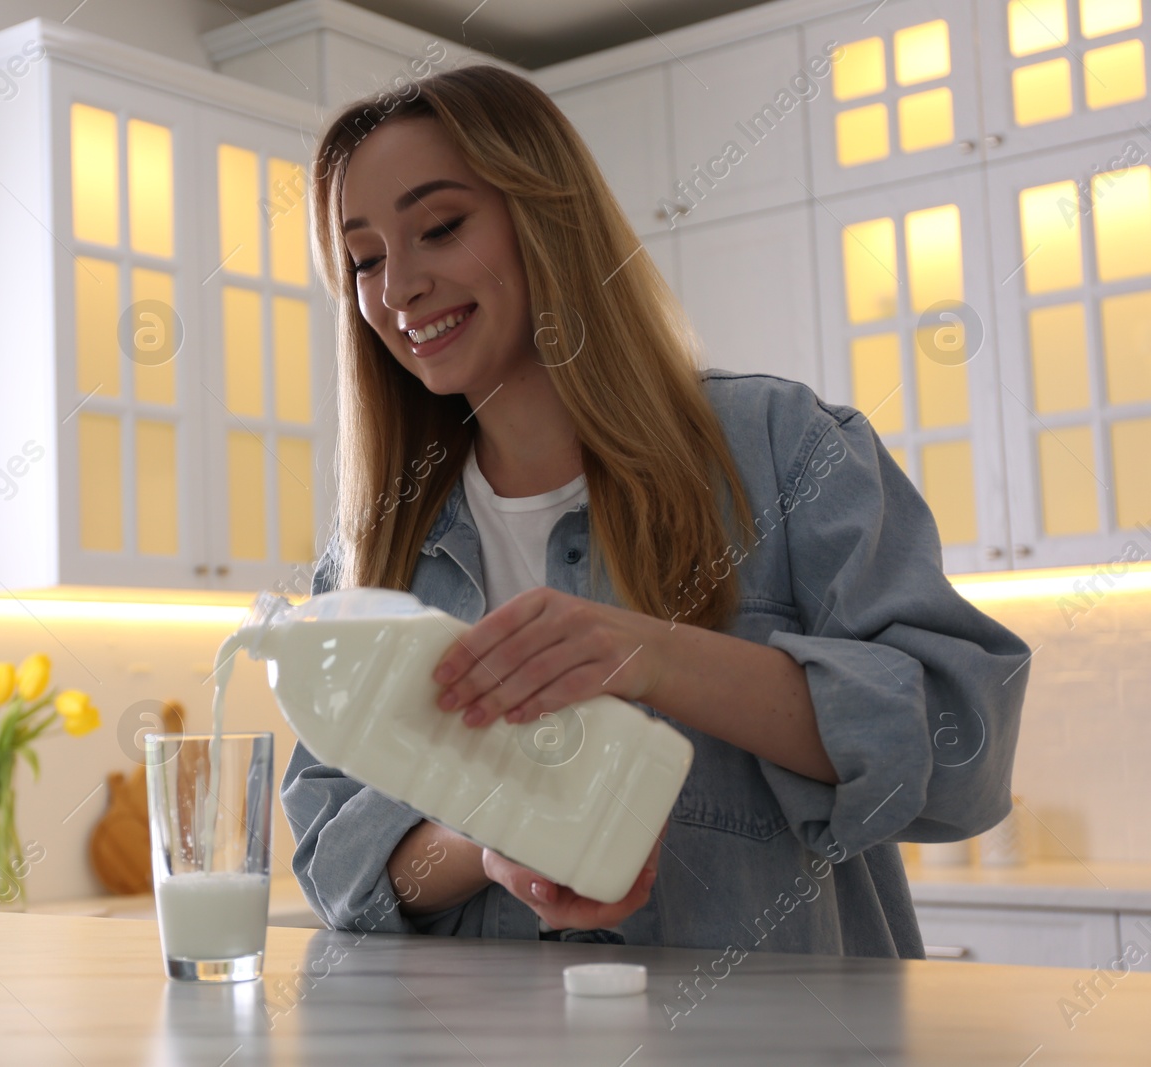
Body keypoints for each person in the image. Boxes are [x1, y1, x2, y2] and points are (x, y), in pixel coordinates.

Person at [279, 63, 1031, 957]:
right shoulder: (375, 553)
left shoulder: (783, 447)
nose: (397, 286)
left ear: (546, 221)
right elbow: (333, 857)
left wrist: (649, 656)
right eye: (364, 259)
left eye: (439, 227)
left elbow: (964, 757)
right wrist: (490, 843)